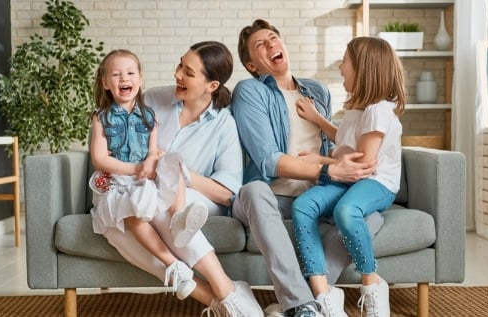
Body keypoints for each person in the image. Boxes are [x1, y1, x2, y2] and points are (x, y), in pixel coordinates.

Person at [92, 46, 263, 316]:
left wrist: (179, 171)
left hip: (196, 198)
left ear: (212, 85)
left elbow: (227, 193)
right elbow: (120, 135)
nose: (177, 74)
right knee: (115, 219)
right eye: (179, 65)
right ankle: (219, 297)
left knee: (159, 203)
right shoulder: (153, 99)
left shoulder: (223, 124)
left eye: (188, 72)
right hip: (142, 186)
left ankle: (223, 289)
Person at [231, 19, 383, 317]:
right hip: (274, 195)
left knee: (372, 216)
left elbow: (336, 145)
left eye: (274, 38)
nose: (271, 44)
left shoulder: (317, 91)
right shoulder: (250, 91)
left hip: (317, 195)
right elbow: (266, 161)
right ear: (252, 65)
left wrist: (338, 168)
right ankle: (302, 305)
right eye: (260, 45)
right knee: (253, 190)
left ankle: (310, 297)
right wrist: (329, 171)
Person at [291, 36, 406, 317]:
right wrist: (318, 120)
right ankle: (323, 291)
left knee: (347, 210)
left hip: (377, 182)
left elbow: (364, 165)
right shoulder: (357, 109)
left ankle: (372, 282)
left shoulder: (378, 110)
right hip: (349, 179)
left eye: (345, 62)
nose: (341, 68)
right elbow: (345, 142)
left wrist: (321, 160)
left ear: (364, 69)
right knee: (302, 206)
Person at [90, 49, 209, 300]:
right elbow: (100, 159)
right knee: (130, 209)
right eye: (116, 74)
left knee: (174, 160)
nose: (125, 78)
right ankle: (173, 266)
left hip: (145, 178)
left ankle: (179, 219)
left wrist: (152, 160)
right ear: (106, 83)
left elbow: (153, 151)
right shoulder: (101, 118)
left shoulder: (149, 116)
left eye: (130, 73)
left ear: (140, 79)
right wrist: (136, 169)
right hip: (119, 182)